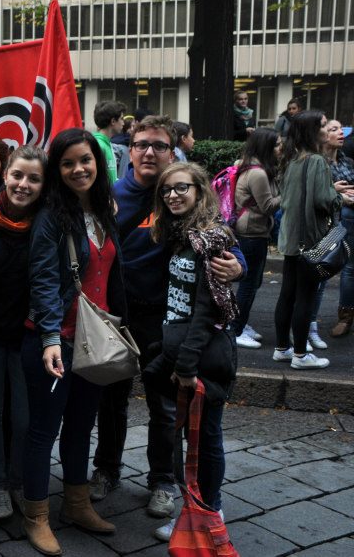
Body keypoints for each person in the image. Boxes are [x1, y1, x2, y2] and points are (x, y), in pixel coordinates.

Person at [89, 115, 244, 519]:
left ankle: (161, 481)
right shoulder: (109, 195)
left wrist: (238, 265)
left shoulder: (180, 195)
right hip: (119, 319)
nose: (148, 152)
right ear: (130, 149)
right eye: (141, 144)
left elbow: (220, 234)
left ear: (172, 152)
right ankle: (106, 469)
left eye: (159, 145)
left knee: (166, 407)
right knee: (112, 401)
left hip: (169, 322)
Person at [21, 128, 122, 555]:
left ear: (97, 164)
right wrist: (48, 338)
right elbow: (43, 280)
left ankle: (77, 504)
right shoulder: (50, 217)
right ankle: (37, 516)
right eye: (67, 163)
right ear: (57, 170)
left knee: (82, 426)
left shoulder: (104, 209)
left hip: (92, 341)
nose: (78, 168)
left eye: (85, 160)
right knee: (44, 431)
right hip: (54, 340)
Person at [146, 162, 238, 542]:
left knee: (205, 438)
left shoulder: (210, 240)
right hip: (180, 349)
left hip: (197, 354)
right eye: (166, 190)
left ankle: (205, 514)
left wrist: (185, 365)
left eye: (181, 188)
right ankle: (201, 505)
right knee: (192, 436)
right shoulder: (184, 235)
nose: (173, 195)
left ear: (200, 190)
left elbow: (207, 312)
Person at [0, 145, 46, 520]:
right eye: (17, 175)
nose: (23, 184)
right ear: (5, 175)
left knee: (23, 417)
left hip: (27, 334)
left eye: (34, 179)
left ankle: (18, 482)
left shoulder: (47, 218)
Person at [273, 109, 352, 369]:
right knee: (305, 298)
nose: (326, 127)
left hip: (291, 238)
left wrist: (331, 189)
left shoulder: (291, 159)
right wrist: (340, 197)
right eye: (322, 125)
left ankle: (282, 348)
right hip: (310, 239)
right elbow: (322, 200)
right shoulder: (316, 161)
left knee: (287, 295)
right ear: (312, 131)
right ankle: (300, 355)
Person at [231, 128, 282, 348]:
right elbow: (268, 206)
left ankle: (241, 322)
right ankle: (236, 329)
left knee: (252, 282)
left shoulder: (251, 166)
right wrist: (289, 192)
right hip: (251, 233)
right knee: (249, 284)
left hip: (252, 231)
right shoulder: (257, 173)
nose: (281, 148)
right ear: (267, 147)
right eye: (278, 144)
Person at [323, 119, 354, 337]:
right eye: (334, 129)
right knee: (348, 267)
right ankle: (346, 316)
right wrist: (338, 195)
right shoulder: (318, 163)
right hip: (335, 221)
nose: (341, 132)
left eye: (341, 128)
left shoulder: (347, 161)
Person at [92, 101, 128, 182]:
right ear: (113, 121)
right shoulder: (98, 145)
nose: (123, 123)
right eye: (121, 119)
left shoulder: (106, 143)